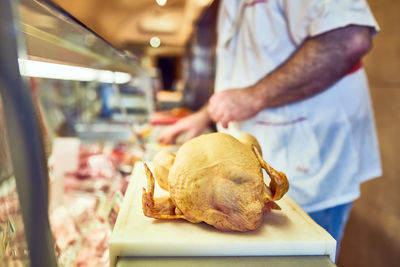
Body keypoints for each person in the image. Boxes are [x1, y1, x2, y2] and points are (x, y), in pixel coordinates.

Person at [158, 0, 382, 252]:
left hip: (310, 160)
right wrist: (205, 114)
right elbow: (247, 73)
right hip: (248, 176)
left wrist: (255, 96)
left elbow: (348, 39)